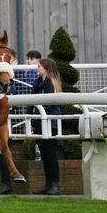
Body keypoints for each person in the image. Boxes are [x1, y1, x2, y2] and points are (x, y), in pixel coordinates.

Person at [32, 58, 62, 195]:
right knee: (45, 155)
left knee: (50, 155)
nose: (37, 68)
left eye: (39, 66)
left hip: (50, 123)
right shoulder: (38, 83)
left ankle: (54, 185)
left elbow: (49, 105)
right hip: (39, 123)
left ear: (45, 68)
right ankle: (48, 184)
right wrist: (33, 122)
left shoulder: (50, 83)